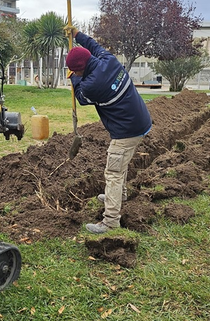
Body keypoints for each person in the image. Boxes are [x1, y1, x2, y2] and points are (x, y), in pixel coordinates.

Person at [65, 29, 152, 234]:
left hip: (126, 131)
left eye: (75, 71)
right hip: (140, 121)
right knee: (121, 164)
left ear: (80, 69)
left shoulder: (92, 85)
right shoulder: (108, 59)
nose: (75, 75)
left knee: (113, 172)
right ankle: (119, 196)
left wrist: (73, 78)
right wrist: (78, 35)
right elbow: (93, 45)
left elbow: (81, 96)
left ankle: (111, 220)